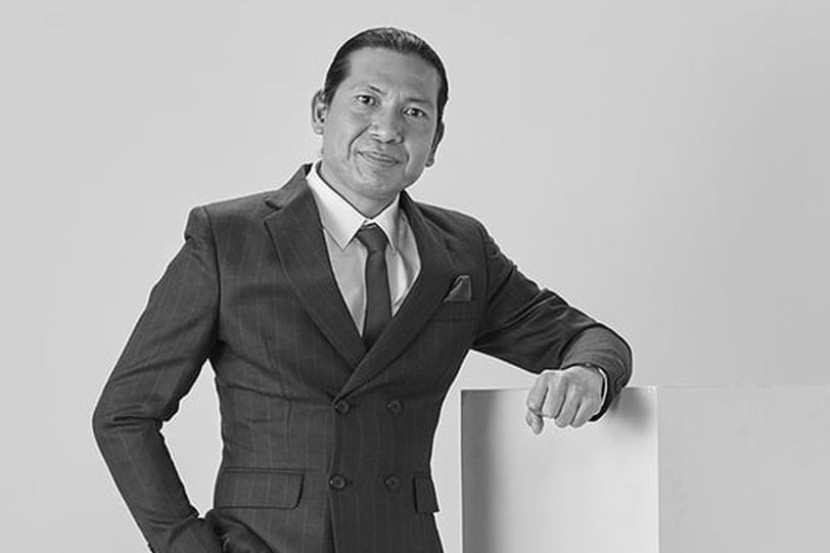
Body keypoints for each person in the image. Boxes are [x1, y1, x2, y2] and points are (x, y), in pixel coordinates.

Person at [93, 26, 632, 553]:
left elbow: (588, 339)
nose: (387, 129)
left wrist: (589, 374)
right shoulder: (229, 238)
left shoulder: (462, 250)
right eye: (367, 101)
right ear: (320, 111)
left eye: (414, 113)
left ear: (435, 142)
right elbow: (125, 414)